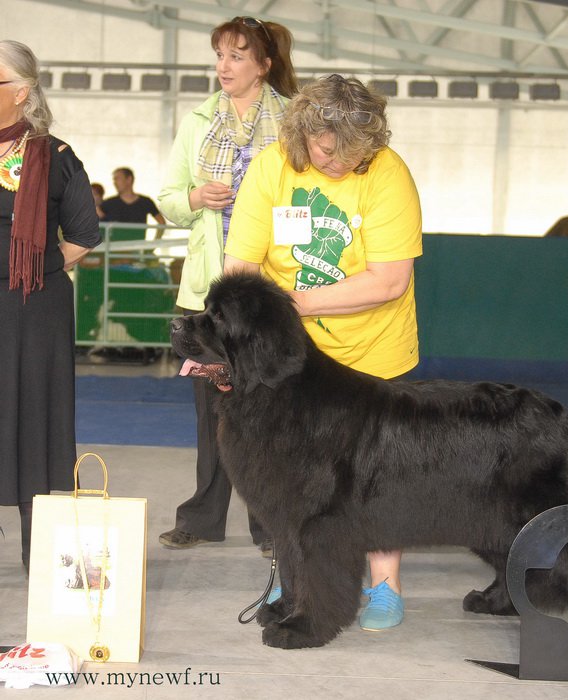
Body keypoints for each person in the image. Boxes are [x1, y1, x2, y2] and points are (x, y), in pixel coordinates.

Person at [223, 74, 423, 632]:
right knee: (292, 475)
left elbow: (388, 280)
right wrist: (248, 329)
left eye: (353, 152)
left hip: (374, 347)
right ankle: (298, 573)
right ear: (303, 132)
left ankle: (385, 586)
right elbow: (241, 265)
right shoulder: (271, 168)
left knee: (377, 474)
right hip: (294, 359)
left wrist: (288, 305)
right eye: (327, 149)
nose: (338, 161)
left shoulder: (388, 173)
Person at [157, 17, 298, 554]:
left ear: (263, 65)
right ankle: (201, 517)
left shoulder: (291, 122)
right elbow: (167, 199)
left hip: (272, 294)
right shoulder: (196, 122)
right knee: (210, 412)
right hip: (207, 295)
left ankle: (270, 524)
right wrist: (195, 200)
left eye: (237, 56)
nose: (223, 66)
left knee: (275, 412)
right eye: (219, 55)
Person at [0, 40, 101, 572]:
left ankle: (40, 552)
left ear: (21, 93)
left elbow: (85, 232)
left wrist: (32, 266)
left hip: (34, 308)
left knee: (38, 419)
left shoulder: (56, 157)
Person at [100, 167, 166, 238]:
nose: (115, 182)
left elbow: (161, 222)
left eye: (117, 178)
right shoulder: (109, 203)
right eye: (114, 179)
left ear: (129, 179)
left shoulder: (145, 202)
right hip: (115, 248)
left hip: (137, 247)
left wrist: (153, 245)